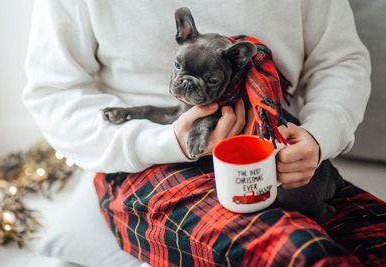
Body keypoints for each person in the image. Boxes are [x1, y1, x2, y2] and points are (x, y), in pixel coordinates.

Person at [23, 0, 377, 266]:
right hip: (148, 162)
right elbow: (54, 92)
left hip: (279, 146)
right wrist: (166, 142)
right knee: (300, 255)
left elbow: (337, 60)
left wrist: (318, 135)